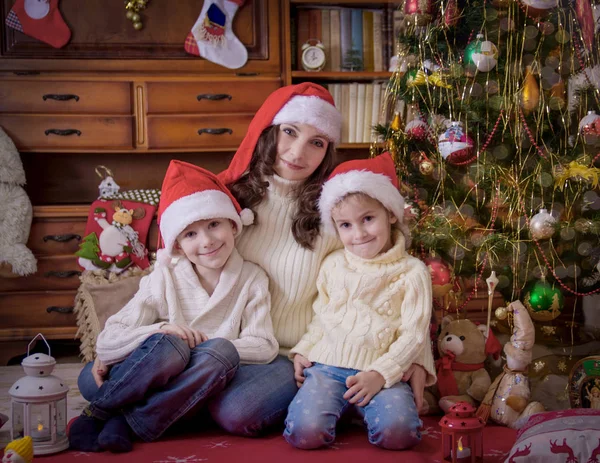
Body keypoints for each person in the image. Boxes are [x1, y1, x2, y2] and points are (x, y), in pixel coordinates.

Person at [209, 82, 428, 437]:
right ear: (269, 132)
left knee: (240, 412)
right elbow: (179, 265)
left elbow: (384, 280)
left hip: (287, 355)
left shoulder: (335, 216)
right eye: (290, 132)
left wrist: (418, 358)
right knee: (104, 380)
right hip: (220, 342)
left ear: (327, 151)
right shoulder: (230, 199)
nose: (298, 152)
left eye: (317, 142)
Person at [70, 160, 278, 453]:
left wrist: (200, 348)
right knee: (94, 376)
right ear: (177, 245)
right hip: (162, 371)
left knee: (220, 351)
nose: (206, 241)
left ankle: (121, 419)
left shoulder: (252, 278)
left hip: (209, 372)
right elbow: (108, 340)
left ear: (233, 225)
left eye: (214, 225)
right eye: (191, 234)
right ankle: (144, 410)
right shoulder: (164, 276)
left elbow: (264, 344)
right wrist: (164, 331)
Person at [283, 152, 436, 450]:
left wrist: (381, 373)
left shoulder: (413, 272)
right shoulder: (333, 263)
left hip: (381, 371)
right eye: (346, 225)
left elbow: (414, 334)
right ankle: (344, 409)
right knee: (305, 433)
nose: (359, 234)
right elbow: (322, 315)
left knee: (399, 434)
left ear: (390, 213)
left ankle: (361, 409)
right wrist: (304, 349)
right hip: (327, 366)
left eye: (368, 219)